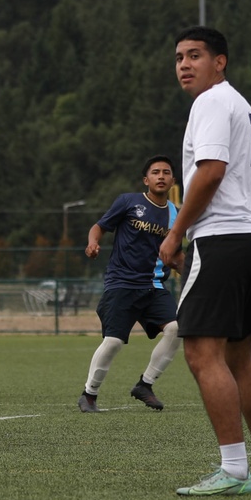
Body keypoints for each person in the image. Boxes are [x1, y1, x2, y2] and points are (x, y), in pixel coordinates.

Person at [158, 26, 251, 496]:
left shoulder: (210, 103)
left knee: (201, 352)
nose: (184, 65)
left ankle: (233, 471)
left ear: (221, 61)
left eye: (195, 55)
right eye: (178, 58)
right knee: (239, 356)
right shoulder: (245, 109)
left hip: (222, 239)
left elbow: (211, 171)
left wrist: (175, 233)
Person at [77, 156, 181, 414]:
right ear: (146, 180)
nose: (161, 176)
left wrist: (192, 269)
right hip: (121, 283)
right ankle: (89, 395)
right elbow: (98, 227)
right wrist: (93, 243)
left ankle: (145, 385)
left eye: (166, 172)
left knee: (178, 328)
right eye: (155, 172)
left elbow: (175, 255)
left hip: (154, 286)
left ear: (173, 181)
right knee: (113, 342)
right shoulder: (128, 201)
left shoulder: (175, 214)